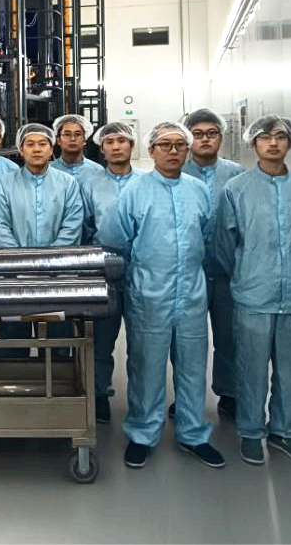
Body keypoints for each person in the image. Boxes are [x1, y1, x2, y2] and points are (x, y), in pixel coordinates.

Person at [113, 121, 225, 470]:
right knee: (146, 365)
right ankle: (142, 433)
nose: (173, 151)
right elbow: (119, 241)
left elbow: (207, 237)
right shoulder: (134, 191)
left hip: (191, 291)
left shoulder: (198, 190)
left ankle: (193, 433)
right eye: (165, 145)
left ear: (187, 150)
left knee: (192, 365)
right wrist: (139, 277)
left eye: (180, 144)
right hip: (148, 292)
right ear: (151, 150)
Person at [217, 115, 291, 468]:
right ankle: (251, 432)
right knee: (251, 367)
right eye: (265, 137)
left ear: (290, 142)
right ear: (253, 144)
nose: (273, 143)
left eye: (280, 137)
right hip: (253, 295)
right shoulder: (236, 190)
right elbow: (224, 245)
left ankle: (285, 433)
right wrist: (247, 274)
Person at [0, 123, 84, 357]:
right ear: (20, 149)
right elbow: (2, 226)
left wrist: (50, 262)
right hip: (15, 277)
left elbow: (72, 226)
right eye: (30, 144)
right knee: (14, 345)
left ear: (51, 148)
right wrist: (20, 263)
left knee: (57, 344)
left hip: (57, 277)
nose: (36, 149)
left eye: (42, 144)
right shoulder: (5, 183)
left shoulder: (67, 183)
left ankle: (57, 378)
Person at [180, 108, 245, 421]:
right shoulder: (176, 171)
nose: (205, 139)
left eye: (211, 133)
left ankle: (229, 393)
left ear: (221, 136)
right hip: (187, 272)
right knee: (186, 342)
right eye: (197, 134)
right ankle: (186, 399)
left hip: (227, 271)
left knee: (228, 337)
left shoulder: (237, 175)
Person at [79, 121, 144, 424]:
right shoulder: (90, 184)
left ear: (132, 146)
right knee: (101, 339)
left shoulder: (147, 183)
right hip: (102, 269)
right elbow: (85, 226)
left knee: (143, 340)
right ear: (101, 148)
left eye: (122, 141)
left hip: (144, 271)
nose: (116, 146)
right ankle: (99, 393)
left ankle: (142, 400)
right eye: (110, 142)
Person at [50, 113, 104, 179]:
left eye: (78, 134)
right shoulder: (49, 170)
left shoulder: (97, 171)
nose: (72, 139)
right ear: (58, 140)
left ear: (84, 139)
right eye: (67, 134)